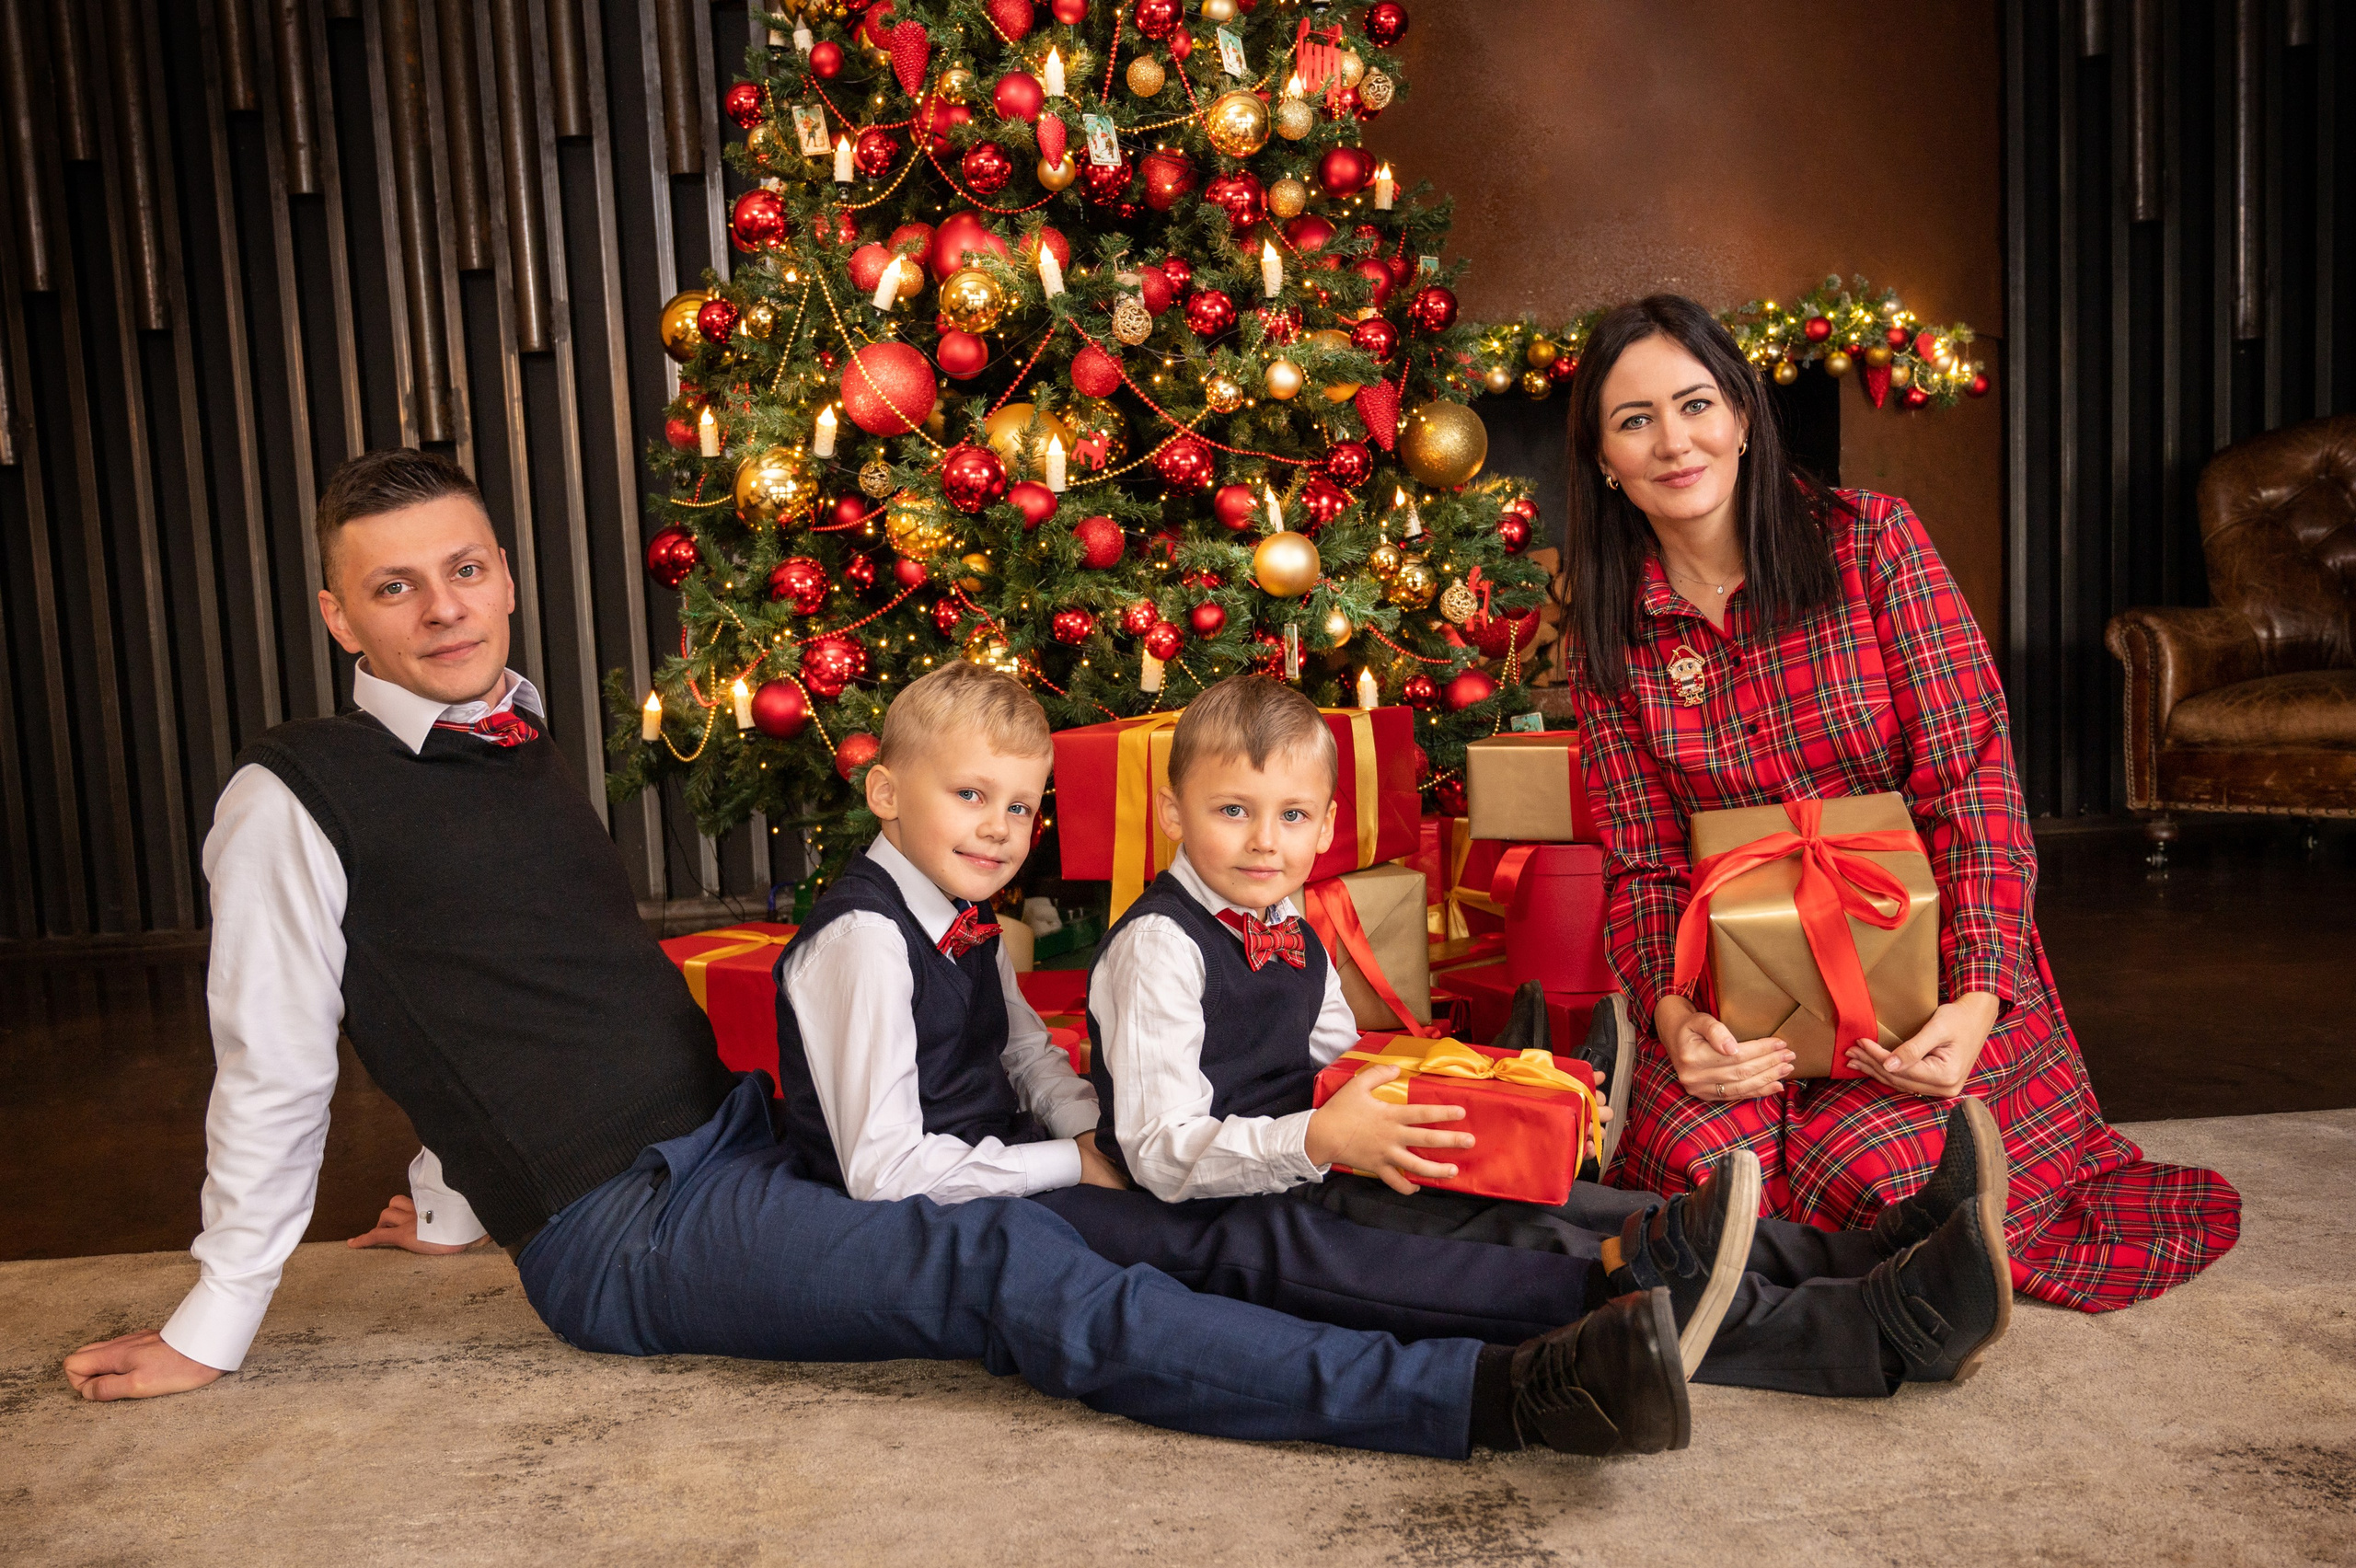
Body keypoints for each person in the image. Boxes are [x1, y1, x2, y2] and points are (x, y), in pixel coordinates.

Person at [62, 447, 1679, 1464]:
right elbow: (275, 1053)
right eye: (394, 587)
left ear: (499, 573)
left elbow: (498, 998)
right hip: (626, 1235)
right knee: (1003, 1262)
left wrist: (452, 1184)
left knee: (1144, 1213)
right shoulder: (292, 791)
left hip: (729, 1140)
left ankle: (1537, 1310)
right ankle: (1490, 1406)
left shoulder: (510, 741)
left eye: (465, 568)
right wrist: (216, 1315)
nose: (443, 607)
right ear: (341, 620)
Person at [772, 658, 1697, 1451]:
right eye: (970, 796)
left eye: (1020, 806)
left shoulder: (961, 918)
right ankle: (1549, 1319)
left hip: (1011, 1154)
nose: (999, 829)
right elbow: (882, 1169)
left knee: (1284, 1205)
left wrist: (1090, 1129)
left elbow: (1023, 1054)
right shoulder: (865, 939)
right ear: (885, 794)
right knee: (1244, 1242)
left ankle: (1575, 1199)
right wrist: (1077, 1161)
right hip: (927, 1204)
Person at [1563, 294, 2241, 1311]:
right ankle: (1836, 1296)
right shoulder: (1607, 632)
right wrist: (1671, 1020)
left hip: (1918, 977)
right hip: (1732, 996)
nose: (1673, 442)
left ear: (1743, 417)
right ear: (1603, 460)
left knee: (1885, 1178)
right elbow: (1645, 861)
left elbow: (1974, 790)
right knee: (1704, 1177)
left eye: (1696, 404)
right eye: (1633, 421)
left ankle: (1836, 1288)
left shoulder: (1871, 541)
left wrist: (1976, 1003)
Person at [1065, 672, 2017, 1394]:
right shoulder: (1158, 947)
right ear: (1170, 812)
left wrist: (1486, 1095)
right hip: (1230, 1211)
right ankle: (1883, 1330)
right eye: (1232, 813)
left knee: (1573, 1206)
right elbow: (1158, 1153)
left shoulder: (1289, 923)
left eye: (1290, 817)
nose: (1263, 841)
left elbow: (1328, 1062)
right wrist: (1320, 1139)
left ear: (1324, 829)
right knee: (1529, 1266)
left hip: (1324, 1158)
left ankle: (1869, 1252)